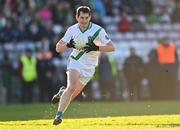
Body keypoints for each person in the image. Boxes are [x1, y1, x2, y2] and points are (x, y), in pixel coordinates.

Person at [52, 6, 115, 125]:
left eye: (86, 18)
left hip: (90, 66)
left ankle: (62, 93)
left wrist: (96, 47)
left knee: (71, 94)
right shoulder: (71, 30)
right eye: (81, 17)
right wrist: (68, 45)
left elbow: (112, 47)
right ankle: (58, 116)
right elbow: (58, 48)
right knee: (71, 87)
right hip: (76, 60)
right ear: (76, 17)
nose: (84, 20)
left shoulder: (98, 30)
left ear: (90, 17)